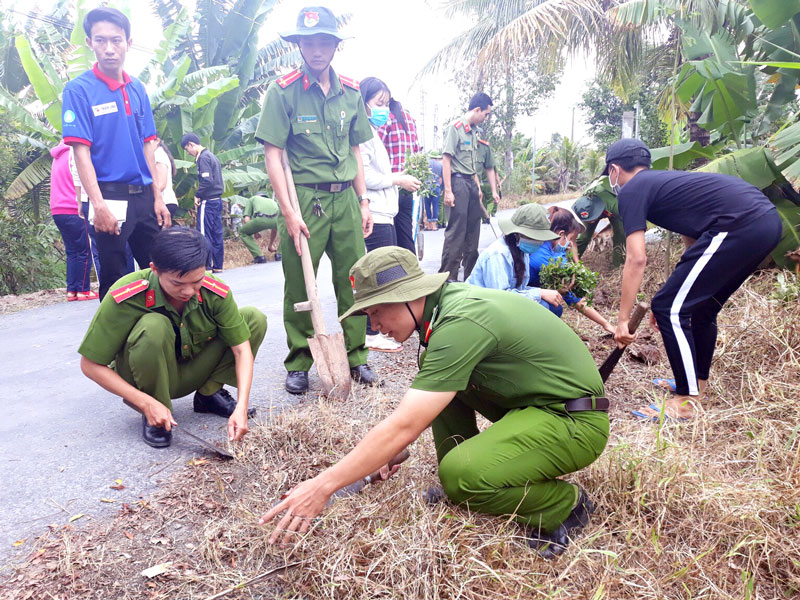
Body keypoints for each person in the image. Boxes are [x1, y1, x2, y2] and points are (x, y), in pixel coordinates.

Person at [259, 247, 609, 559]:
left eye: (377, 311)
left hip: (575, 423)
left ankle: (565, 506)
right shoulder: (447, 309)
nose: (375, 325)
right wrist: (379, 458)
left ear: (409, 296)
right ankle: (473, 481)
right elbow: (419, 411)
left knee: (461, 475)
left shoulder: (460, 322)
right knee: (438, 386)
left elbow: (404, 425)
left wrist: (322, 486)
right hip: (540, 409)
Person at [606, 139, 783, 421]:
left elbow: (636, 259)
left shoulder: (633, 190)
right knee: (701, 308)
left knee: (668, 308)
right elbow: (693, 243)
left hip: (741, 223)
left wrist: (623, 321)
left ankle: (686, 402)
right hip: (765, 224)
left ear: (614, 170)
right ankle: (696, 384)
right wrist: (676, 295)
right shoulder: (666, 183)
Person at [254, 5, 379, 394]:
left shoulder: (351, 92)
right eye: (309, 43)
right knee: (299, 283)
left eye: (324, 42)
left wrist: (363, 201)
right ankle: (299, 361)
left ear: (334, 46)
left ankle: (356, 356)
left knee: (353, 279)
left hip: (344, 199)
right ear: (300, 46)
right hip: (303, 198)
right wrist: (289, 213)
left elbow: (356, 149)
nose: (317, 50)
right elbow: (273, 155)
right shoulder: (283, 91)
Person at [78, 227, 266, 448]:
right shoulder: (126, 295)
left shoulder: (214, 291)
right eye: (177, 283)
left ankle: (209, 395)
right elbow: (90, 365)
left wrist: (241, 407)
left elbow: (241, 350)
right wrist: (145, 402)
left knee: (254, 319)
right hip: (144, 381)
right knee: (153, 326)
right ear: (155, 269)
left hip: (191, 371)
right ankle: (155, 412)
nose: (188, 291)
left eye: (196, 281)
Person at [63, 7, 171, 300]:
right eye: (101, 41)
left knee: (163, 272)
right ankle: (116, 346)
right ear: (90, 43)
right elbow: (80, 153)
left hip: (145, 196)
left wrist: (158, 196)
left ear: (128, 42)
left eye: (116, 40)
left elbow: (149, 145)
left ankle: (164, 340)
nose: (109, 49)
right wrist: (97, 205)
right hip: (108, 197)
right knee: (114, 281)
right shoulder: (78, 90)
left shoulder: (137, 89)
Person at [359, 76, 422, 353]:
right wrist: (397, 180)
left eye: (386, 103)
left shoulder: (373, 133)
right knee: (379, 275)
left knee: (387, 272)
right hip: (375, 211)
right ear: (363, 104)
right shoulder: (363, 136)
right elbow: (364, 175)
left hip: (386, 211)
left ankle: (378, 328)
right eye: (379, 103)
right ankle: (371, 332)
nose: (384, 108)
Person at [439, 93, 498, 281]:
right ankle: (448, 279)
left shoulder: (474, 132)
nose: (486, 118)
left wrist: (478, 187)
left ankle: (472, 278)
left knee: (473, 231)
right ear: (477, 110)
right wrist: (448, 190)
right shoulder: (455, 128)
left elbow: (472, 165)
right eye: (486, 114)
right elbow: (446, 159)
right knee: (457, 232)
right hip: (457, 183)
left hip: (471, 184)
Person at [527, 207, 615, 333]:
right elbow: (572, 297)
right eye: (572, 238)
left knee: (556, 309)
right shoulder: (541, 256)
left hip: (532, 293)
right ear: (561, 234)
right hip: (519, 296)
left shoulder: (555, 250)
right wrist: (605, 324)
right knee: (546, 307)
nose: (571, 243)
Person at [466, 204, 565, 314]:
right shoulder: (498, 255)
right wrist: (539, 293)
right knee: (543, 308)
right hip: (481, 307)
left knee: (555, 308)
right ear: (517, 234)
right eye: (534, 237)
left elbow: (519, 289)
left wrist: (541, 292)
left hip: (500, 302)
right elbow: (500, 297)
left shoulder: (522, 252)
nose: (539, 243)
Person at [50, 141, 98, 302]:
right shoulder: (76, 153)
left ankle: (72, 290)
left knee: (72, 251)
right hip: (73, 207)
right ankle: (83, 290)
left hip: (58, 210)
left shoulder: (58, 156)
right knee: (84, 249)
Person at [377, 91, 422, 253]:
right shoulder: (410, 121)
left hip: (389, 186)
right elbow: (417, 152)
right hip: (406, 188)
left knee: (390, 240)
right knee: (406, 236)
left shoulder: (387, 120)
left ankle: (395, 276)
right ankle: (411, 274)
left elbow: (375, 146)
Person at [181, 133, 224, 272]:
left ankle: (206, 265)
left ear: (191, 144)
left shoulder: (203, 158)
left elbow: (207, 181)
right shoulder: (212, 156)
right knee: (217, 233)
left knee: (204, 234)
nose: (189, 153)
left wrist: (197, 195)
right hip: (217, 200)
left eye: (187, 150)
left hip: (208, 201)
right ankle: (218, 265)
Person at [572, 178, 626, 268]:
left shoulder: (614, 205)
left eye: (592, 220)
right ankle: (570, 262)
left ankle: (618, 265)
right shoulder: (583, 204)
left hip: (611, 207)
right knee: (584, 237)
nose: (590, 222)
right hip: (593, 206)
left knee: (620, 235)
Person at [239, 194, 280, 263]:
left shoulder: (253, 198)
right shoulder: (272, 201)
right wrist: (270, 245)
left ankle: (259, 256)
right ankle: (280, 254)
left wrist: (255, 231)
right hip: (276, 220)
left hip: (260, 219)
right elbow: (274, 230)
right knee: (287, 230)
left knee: (243, 232)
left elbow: (246, 219)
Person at [475, 132, 499, 224]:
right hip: (483, 184)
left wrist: (494, 190)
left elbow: (491, 171)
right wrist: (499, 184)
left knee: (484, 201)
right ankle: (487, 214)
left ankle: (485, 217)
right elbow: (496, 174)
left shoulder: (483, 149)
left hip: (483, 185)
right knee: (489, 202)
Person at [154, 139, 179, 221]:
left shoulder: (158, 154)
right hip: (168, 202)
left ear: (157, 141)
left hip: (165, 203)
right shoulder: (160, 154)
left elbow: (161, 184)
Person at [422, 152, 443, 230]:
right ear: (437, 157)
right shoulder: (440, 165)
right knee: (435, 206)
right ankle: (434, 225)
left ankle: (429, 225)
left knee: (427, 205)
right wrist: (442, 188)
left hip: (427, 187)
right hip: (436, 187)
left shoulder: (425, 164)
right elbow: (442, 178)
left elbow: (422, 176)